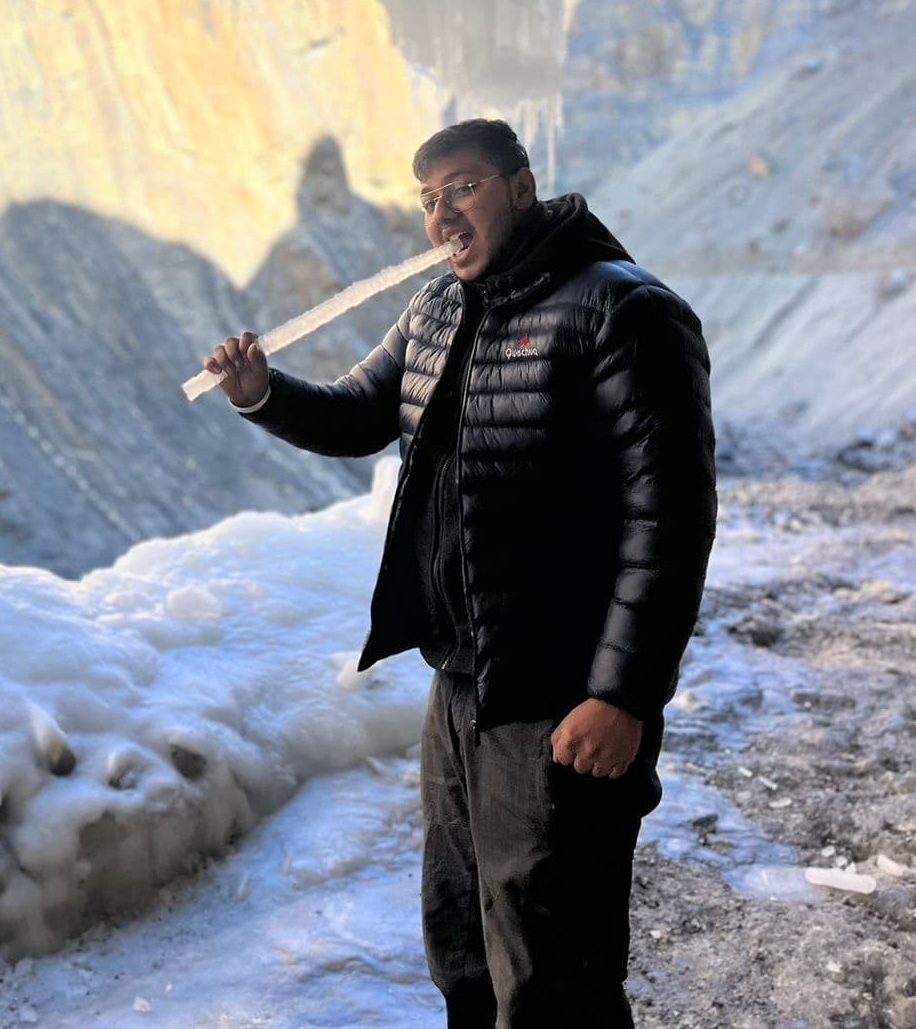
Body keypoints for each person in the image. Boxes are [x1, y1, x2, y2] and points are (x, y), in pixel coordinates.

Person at [204, 118, 716, 1028]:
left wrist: (624, 695)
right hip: (463, 680)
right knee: (464, 941)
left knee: (554, 960)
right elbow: (362, 413)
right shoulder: (438, 307)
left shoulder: (624, 309)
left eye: (465, 187)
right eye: (429, 198)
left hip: (563, 691)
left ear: (521, 188)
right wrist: (263, 395)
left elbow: (669, 521)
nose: (443, 213)